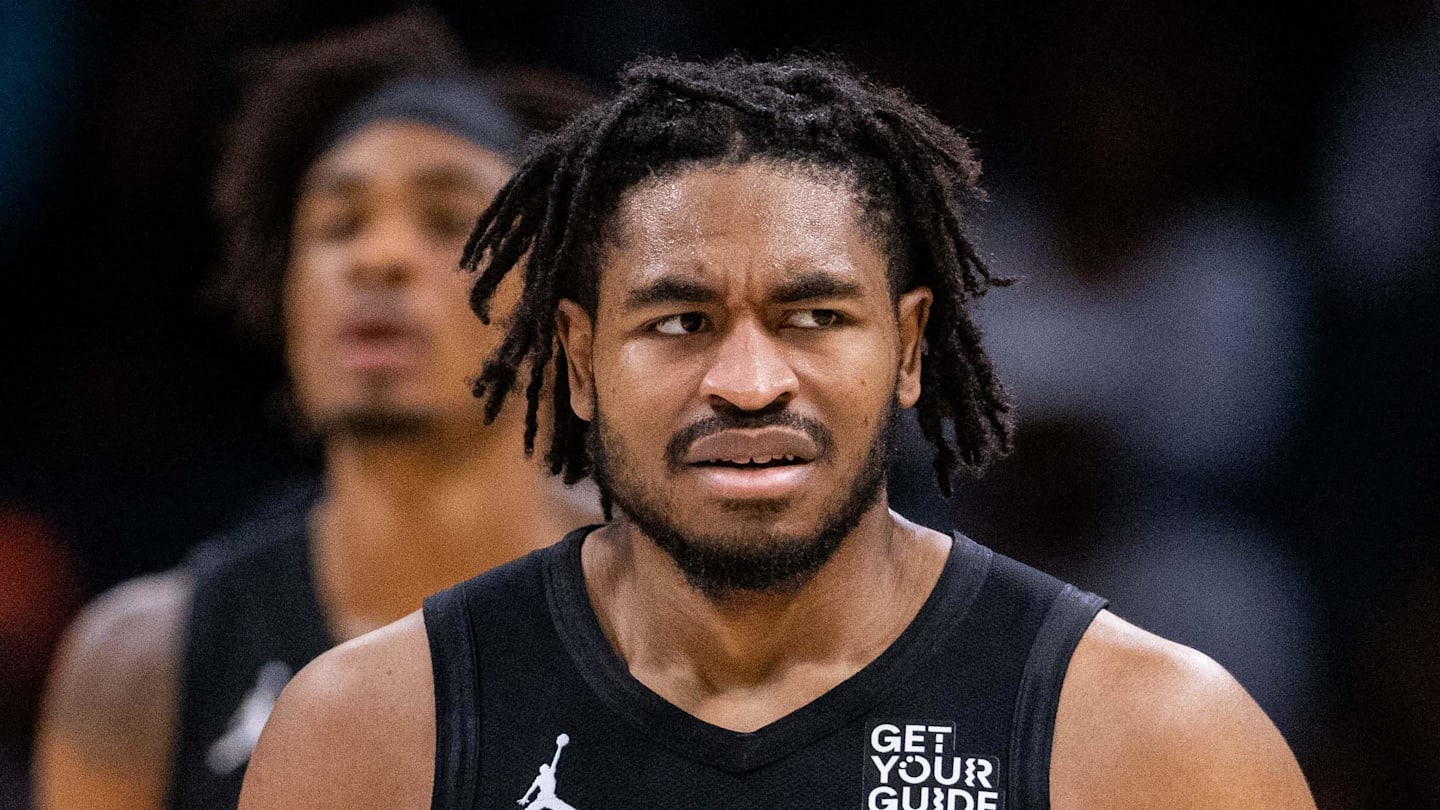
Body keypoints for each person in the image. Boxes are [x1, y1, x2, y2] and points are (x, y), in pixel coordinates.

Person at [240, 55, 1317, 809]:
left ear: (909, 349)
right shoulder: (371, 736)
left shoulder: (1157, 744)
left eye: (813, 317)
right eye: (681, 322)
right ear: (577, 360)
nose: (750, 384)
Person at [33, 11, 597, 810]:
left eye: (447, 220)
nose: (378, 257)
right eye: (338, 225)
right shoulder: (143, 663)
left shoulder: (687, 614)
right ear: (284, 294)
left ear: (557, 301)